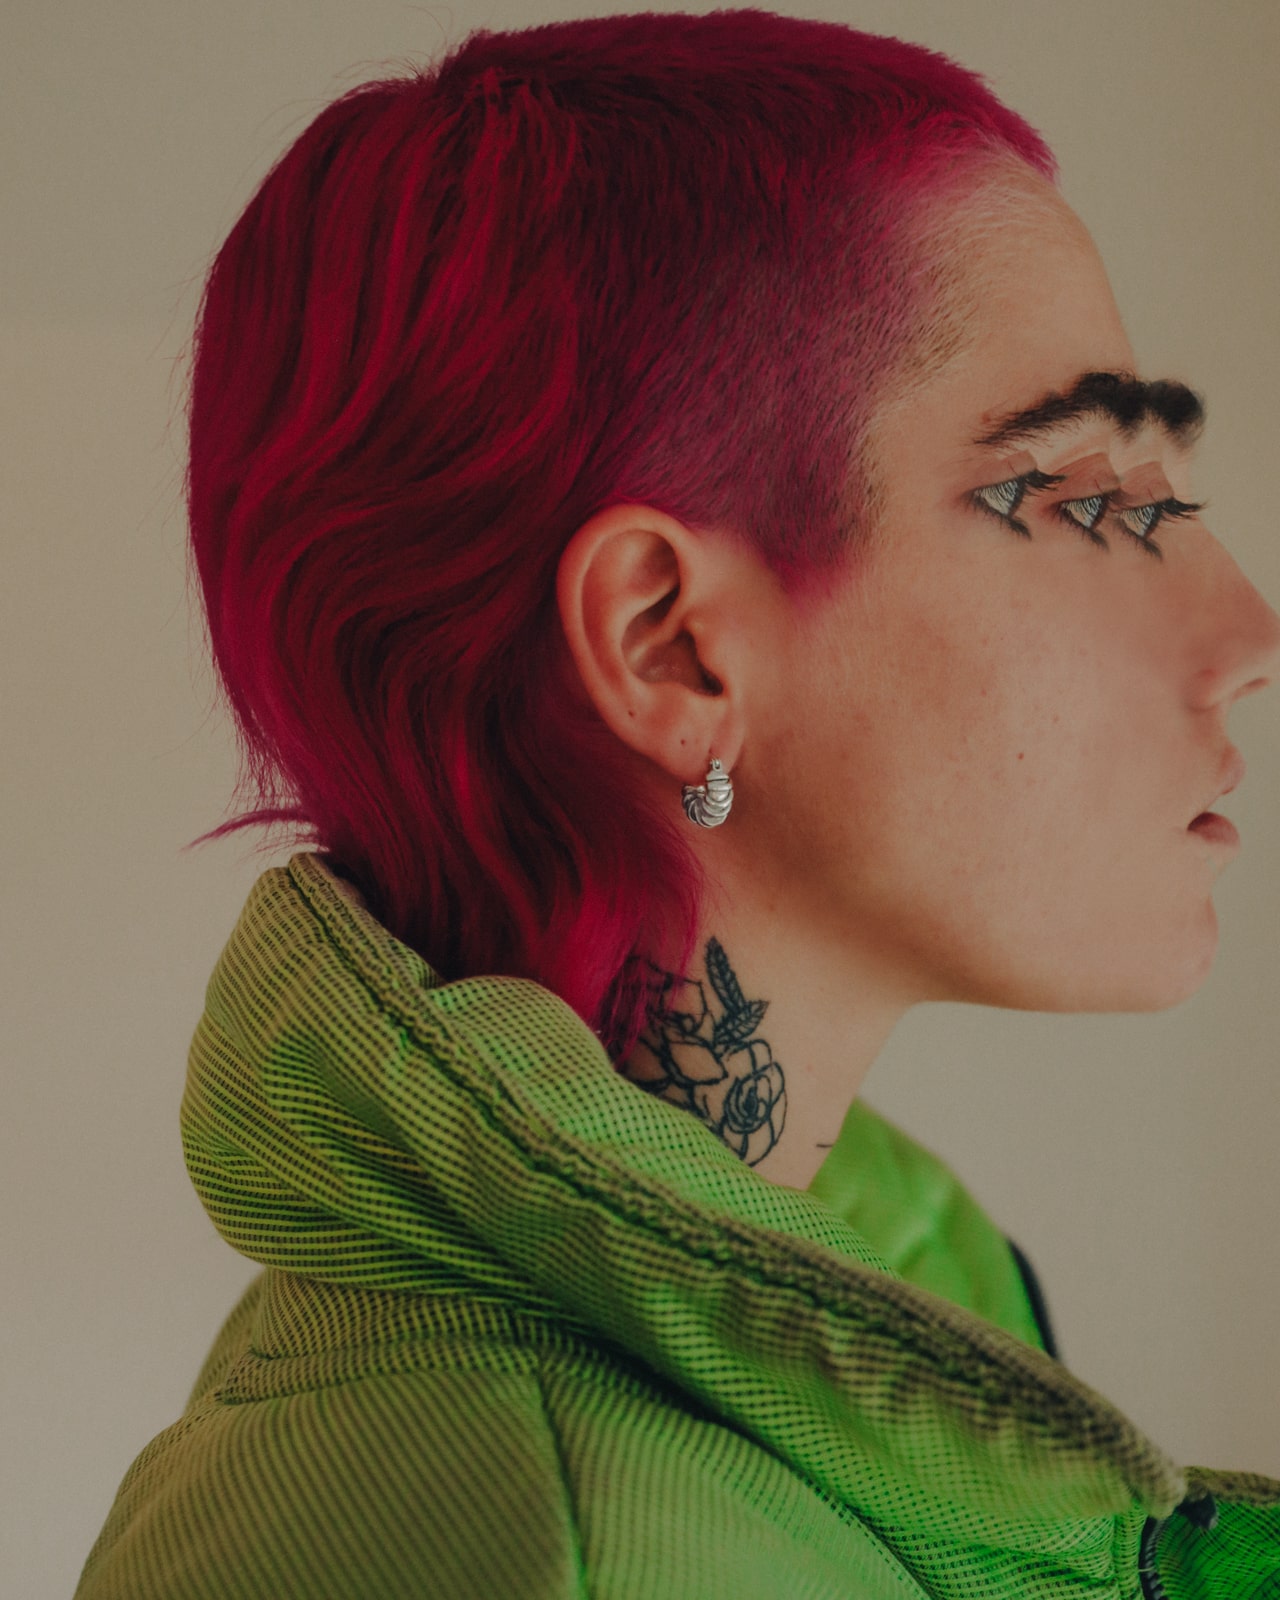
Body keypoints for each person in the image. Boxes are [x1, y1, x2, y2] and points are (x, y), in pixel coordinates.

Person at [76, 10, 1280, 1598]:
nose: (1248, 636)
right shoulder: (563, 1555)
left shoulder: (842, 1310)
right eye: (1093, 501)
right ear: (671, 646)